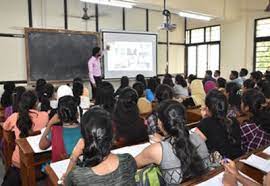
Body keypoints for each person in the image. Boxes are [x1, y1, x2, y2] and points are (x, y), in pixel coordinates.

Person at [135, 100, 209, 185]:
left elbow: (133, 163)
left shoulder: (157, 149)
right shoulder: (198, 138)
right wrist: (163, 140)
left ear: (160, 122)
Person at [64, 108, 137, 186]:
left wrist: (74, 157)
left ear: (84, 137)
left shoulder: (77, 175)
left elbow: (65, 183)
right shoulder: (128, 160)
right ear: (112, 134)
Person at [2, 91, 48, 185]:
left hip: (19, 162)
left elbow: (5, 127)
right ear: (36, 103)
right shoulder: (45, 115)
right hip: (39, 162)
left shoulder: (15, 117)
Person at [195, 89, 242, 159]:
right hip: (236, 160)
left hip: (219, 165)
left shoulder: (205, 124)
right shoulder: (234, 121)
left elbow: (195, 146)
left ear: (207, 109)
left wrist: (204, 119)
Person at [39, 96, 81, 162]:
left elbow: (41, 146)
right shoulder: (85, 130)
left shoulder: (55, 131)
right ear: (77, 113)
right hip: (78, 169)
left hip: (58, 169)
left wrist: (49, 124)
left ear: (58, 115)